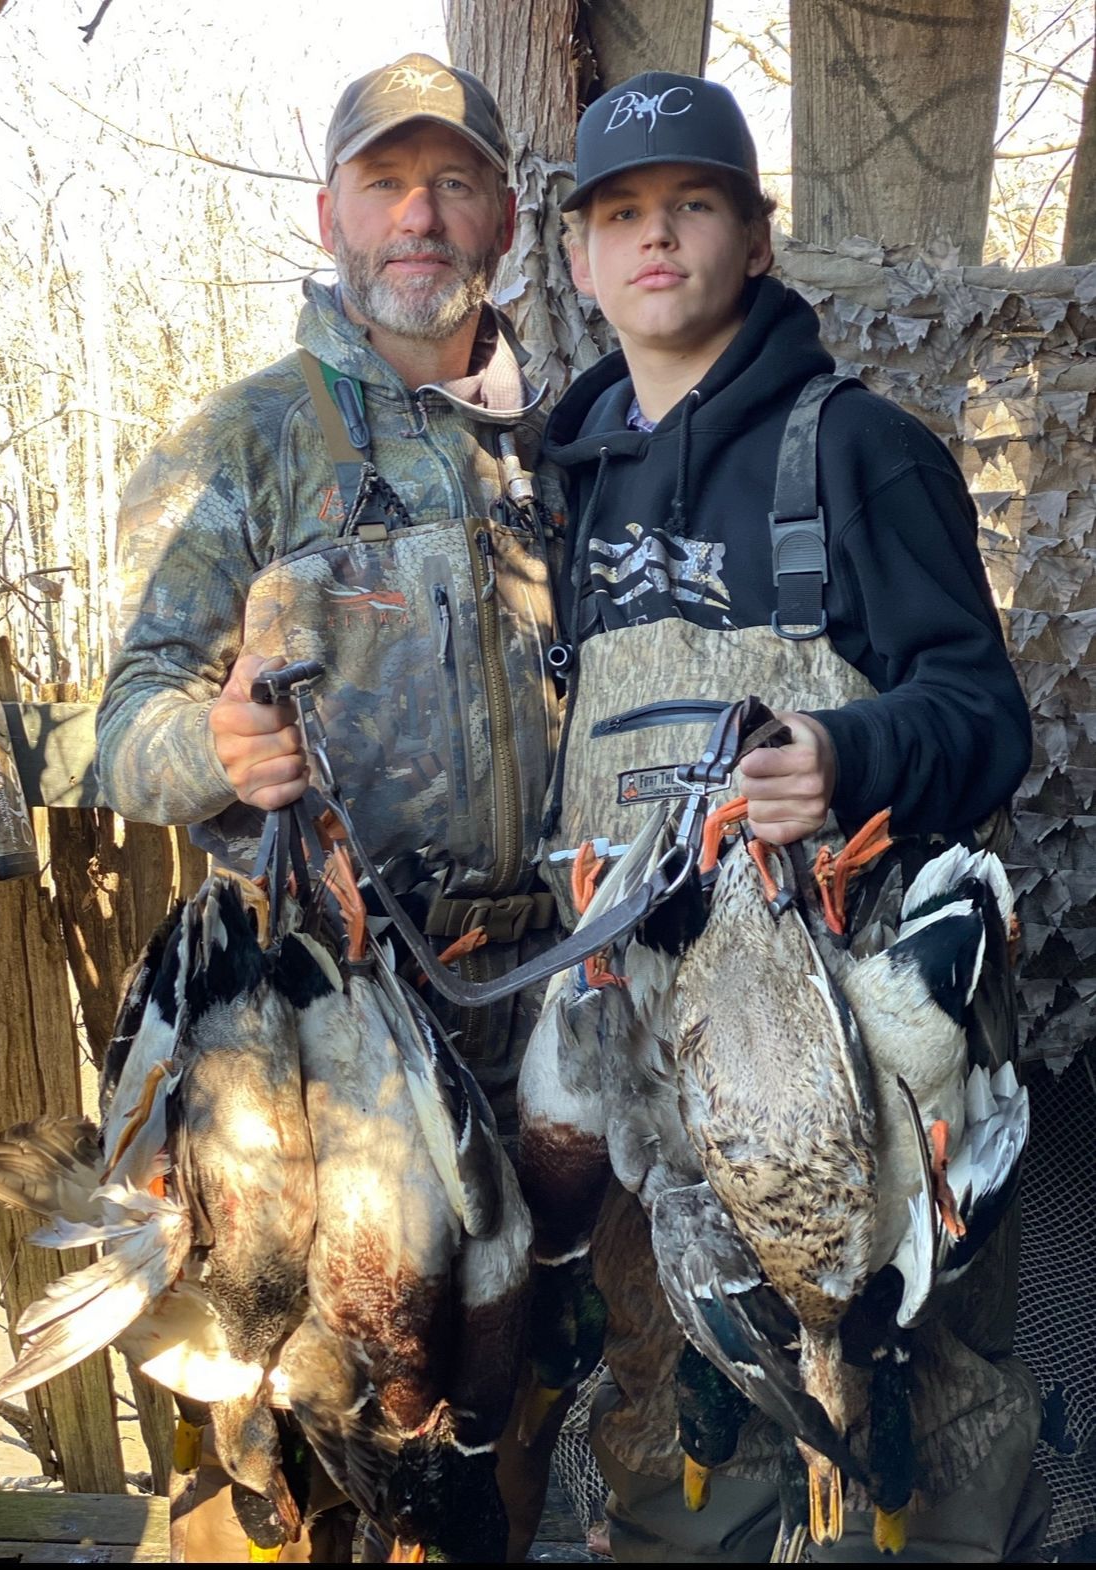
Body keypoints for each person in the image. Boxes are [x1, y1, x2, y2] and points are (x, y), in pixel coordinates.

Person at [537, 71, 1050, 1563]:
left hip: (867, 1063)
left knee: (915, 1432)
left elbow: (984, 714)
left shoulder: (858, 452)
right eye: (619, 214)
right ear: (578, 258)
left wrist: (849, 751)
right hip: (654, 1070)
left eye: (691, 204)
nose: (654, 238)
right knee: (670, 1425)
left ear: (755, 238)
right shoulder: (567, 492)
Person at [95, 52, 568, 1562]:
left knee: (495, 1434)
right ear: (329, 214)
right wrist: (211, 748)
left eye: (449, 183)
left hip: (539, 1008)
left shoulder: (571, 447)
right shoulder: (246, 441)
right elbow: (118, 727)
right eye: (383, 182)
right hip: (318, 1042)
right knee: (290, 1441)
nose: (416, 216)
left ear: (501, 214)